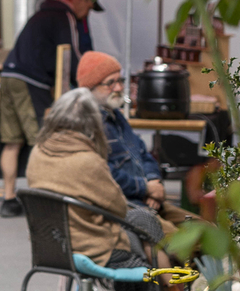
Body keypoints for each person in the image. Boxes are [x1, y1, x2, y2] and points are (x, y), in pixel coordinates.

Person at [26, 88, 177, 291]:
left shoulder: (38, 152)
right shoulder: (88, 160)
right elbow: (117, 206)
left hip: (53, 246)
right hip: (93, 249)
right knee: (145, 230)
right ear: (91, 123)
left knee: (141, 225)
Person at [0, 0, 102, 218]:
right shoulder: (64, 17)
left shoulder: (40, 15)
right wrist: (91, 83)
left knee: (12, 142)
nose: (88, 13)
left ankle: (9, 199)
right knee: (41, 140)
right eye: (90, 6)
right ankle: (42, 200)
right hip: (32, 81)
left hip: (8, 75)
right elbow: (73, 57)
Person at [78, 51, 200, 236]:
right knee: (186, 242)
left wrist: (154, 182)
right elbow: (104, 173)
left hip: (147, 199)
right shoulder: (88, 125)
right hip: (125, 208)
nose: (119, 87)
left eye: (120, 80)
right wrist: (146, 189)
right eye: (110, 83)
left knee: (205, 231)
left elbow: (143, 153)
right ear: (90, 88)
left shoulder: (117, 116)